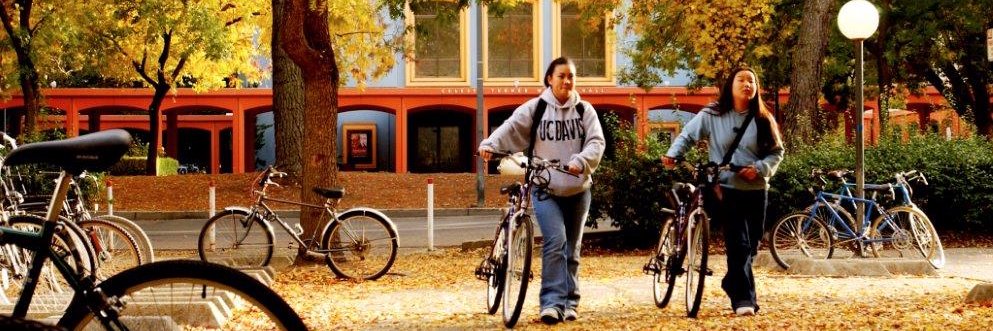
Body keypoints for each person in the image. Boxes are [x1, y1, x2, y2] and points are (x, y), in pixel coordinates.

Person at [478, 57, 605, 324]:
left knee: (572, 248)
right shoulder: (535, 109)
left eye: (571, 76)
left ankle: (570, 302)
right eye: (561, 76)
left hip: (578, 189)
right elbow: (511, 128)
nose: (567, 81)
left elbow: (596, 142)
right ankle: (551, 303)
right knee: (555, 241)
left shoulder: (585, 111)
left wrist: (580, 161)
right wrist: (490, 144)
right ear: (549, 78)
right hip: (544, 187)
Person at [662, 67, 784, 316]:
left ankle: (731, 282)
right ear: (730, 85)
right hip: (724, 187)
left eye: (752, 80)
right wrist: (673, 154)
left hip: (756, 189)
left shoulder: (763, 118)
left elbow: (777, 152)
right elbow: (687, 135)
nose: (747, 84)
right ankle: (744, 300)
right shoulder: (712, 114)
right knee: (738, 243)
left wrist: (760, 168)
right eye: (741, 79)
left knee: (751, 246)